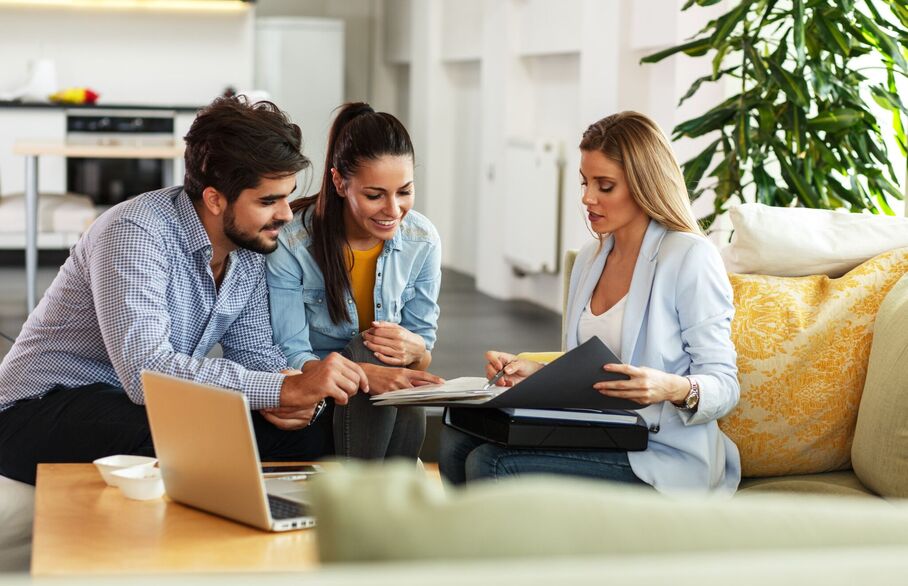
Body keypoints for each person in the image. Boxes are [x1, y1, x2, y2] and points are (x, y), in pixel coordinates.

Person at [0, 97, 368, 485]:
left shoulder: (249, 249)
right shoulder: (135, 233)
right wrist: (281, 388)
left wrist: (294, 396)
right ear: (214, 199)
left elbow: (255, 351)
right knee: (191, 433)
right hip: (37, 409)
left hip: (129, 403)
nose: (286, 214)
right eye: (268, 201)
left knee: (310, 435)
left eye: (286, 196)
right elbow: (147, 372)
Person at [439, 111, 741, 495]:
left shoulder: (689, 257)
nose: (587, 198)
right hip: (601, 434)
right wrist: (537, 373)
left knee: (490, 462)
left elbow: (725, 385)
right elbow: (591, 370)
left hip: (661, 452)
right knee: (455, 440)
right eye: (585, 182)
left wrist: (670, 388)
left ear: (644, 185)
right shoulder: (589, 258)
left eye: (605, 185)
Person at [267, 102, 443, 461]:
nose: (393, 210)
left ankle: (380, 498)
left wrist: (416, 351)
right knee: (370, 348)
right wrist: (366, 372)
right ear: (339, 182)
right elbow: (291, 352)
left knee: (390, 353)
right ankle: (384, 495)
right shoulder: (292, 242)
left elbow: (421, 354)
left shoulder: (423, 239)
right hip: (320, 396)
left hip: (384, 403)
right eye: (374, 195)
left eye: (405, 192)